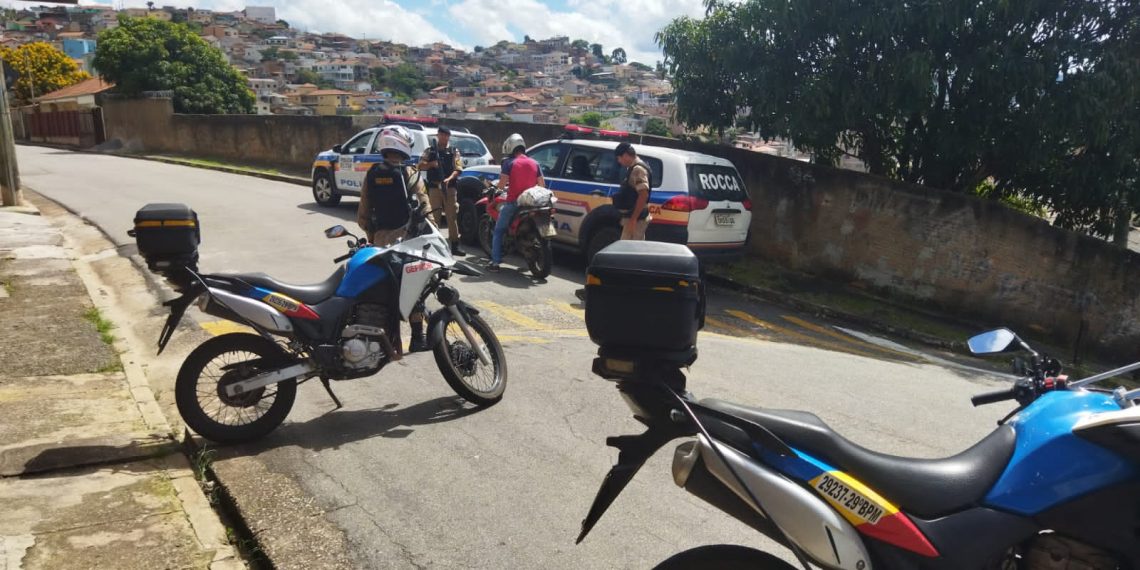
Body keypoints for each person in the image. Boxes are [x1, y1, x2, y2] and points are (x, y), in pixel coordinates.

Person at [356, 125, 431, 352]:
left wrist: (373, 236)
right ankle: (418, 338)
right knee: (414, 287)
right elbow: (424, 206)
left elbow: (363, 214)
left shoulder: (372, 173)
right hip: (408, 240)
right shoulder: (409, 174)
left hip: (381, 241)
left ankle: (387, 341)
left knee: (387, 289)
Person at [574, 142, 653, 301]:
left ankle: (614, 294)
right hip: (633, 220)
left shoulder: (637, 169)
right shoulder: (636, 167)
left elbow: (643, 195)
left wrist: (632, 219)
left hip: (635, 222)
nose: (619, 162)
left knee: (625, 259)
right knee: (629, 259)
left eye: (619, 158)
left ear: (625, 155)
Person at [489, 133, 544, 271]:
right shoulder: (535, 163)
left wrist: (497, 189)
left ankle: (495, 263)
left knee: (499, 231)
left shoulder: (509, 163)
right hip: (532, 204)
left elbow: (501, 185)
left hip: (514, 203)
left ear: (511, 148)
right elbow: (542, 185)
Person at [418, 127, 465, 256]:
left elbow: (459, 168)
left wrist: (449, 179)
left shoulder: (454, 151)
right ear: (438, 135)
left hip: (449, 188)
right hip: (434, 188)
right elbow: (420, 165)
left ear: (449, 136)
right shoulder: (430, 151)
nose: (444, 137)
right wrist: (431, 164)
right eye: (441, 135)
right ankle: (434, 244)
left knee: (452, 217)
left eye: (446, 135)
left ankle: (455, 245)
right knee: (434, 217)